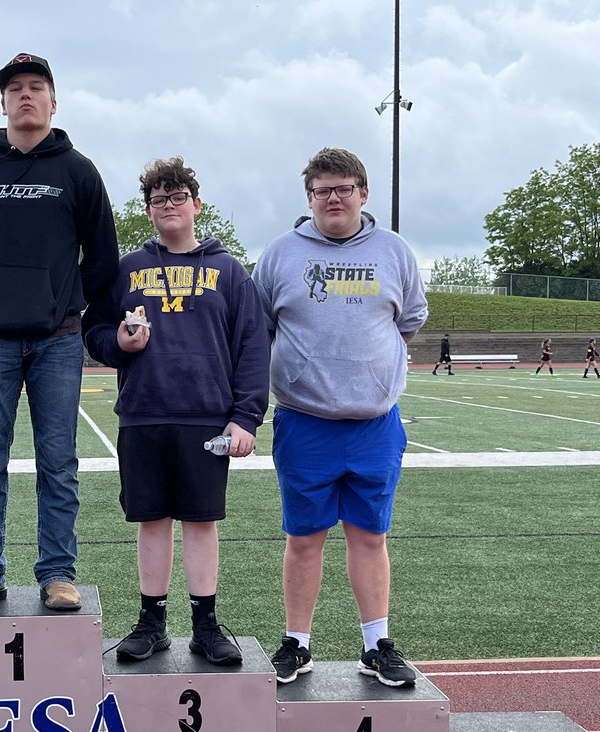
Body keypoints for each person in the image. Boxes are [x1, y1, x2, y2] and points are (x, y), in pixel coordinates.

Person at [0, 53, 119, 612]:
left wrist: (68, 305)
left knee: (58, 460)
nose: (25, 96)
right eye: (15, 88)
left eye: (36, 87)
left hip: (58, 339)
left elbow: (101, 256)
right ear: (2, 102)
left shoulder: (78, 171)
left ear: (53, 101)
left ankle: (57, 573)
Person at [253, 147, 428, 688]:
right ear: (309, 199)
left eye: (343, 188)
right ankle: (296, 643)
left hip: (375, 423)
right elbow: (259, 329)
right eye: (322, 190)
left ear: (363, 193)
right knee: (304, 537)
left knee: (370, 536)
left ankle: (376, 643)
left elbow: (410, 321)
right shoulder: (280, 254)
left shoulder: (394, 252)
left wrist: (368, 374)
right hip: (305, 421)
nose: (333, 198)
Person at [82, 157, 269, 665]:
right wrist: (118, 343)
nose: (169, 206)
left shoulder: (228, 270)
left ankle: (205, 625)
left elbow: (253, 345)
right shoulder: (129, 269)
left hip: (207, 415)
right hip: (144, 413)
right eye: (159, 199)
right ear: (149, 211)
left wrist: (246, 416)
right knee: (152, 520)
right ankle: (152, 621)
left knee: (202, 521)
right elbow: (94, 330)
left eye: (178, 197)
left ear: (196, 204)